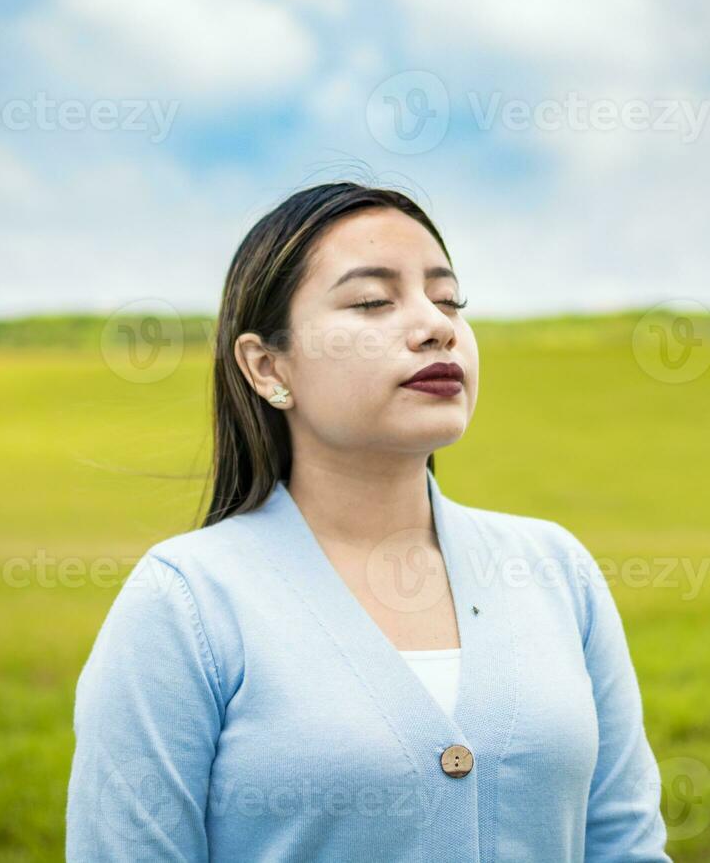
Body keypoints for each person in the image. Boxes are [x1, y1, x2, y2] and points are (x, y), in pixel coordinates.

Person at [66, 182, 671, 861]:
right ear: (267, 367)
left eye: (448, 300)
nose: (436, 326)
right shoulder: (185, 603)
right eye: (371, 301)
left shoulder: (554, 568)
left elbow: (625, 846)